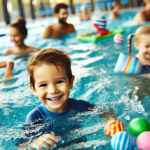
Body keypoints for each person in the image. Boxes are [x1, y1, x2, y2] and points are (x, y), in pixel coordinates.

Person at [17, 48, 115, 149]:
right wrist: (34, 144)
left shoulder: (79, 106)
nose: (53, 90)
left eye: (59, 82)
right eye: (43, 85)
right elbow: (21, 145)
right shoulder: (35, 118)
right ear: (34, 90)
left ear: (71, 82)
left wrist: (110, 121)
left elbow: (105, 111)